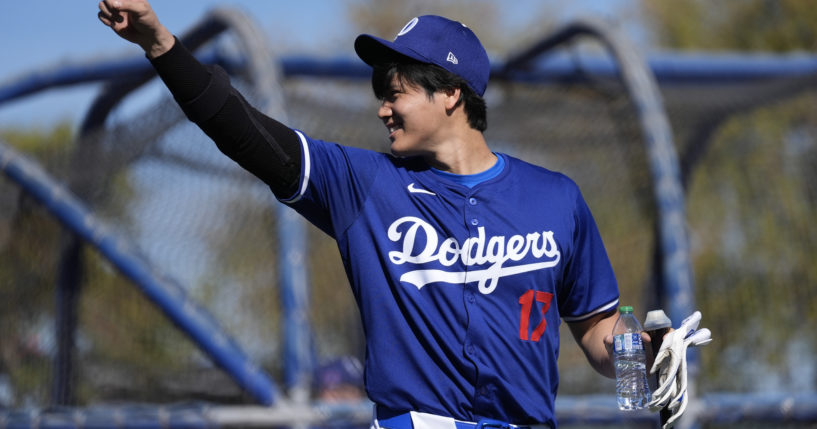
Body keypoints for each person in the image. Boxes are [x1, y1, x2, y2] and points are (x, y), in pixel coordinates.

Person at [97, 2, 654, 428]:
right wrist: (161, 45)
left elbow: (597, 332)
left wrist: (645, 360)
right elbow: (244, 132)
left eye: (396, 92)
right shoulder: (363, 184)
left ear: (451, 94)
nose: (382, 108)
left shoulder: (555, 197)